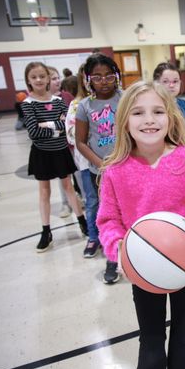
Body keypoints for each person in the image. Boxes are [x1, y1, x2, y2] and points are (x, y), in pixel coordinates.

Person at [97, 81, 185, 369]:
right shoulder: (115, 170)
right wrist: (118, 247)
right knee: (151, 336)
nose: (149, 120)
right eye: (138, 112)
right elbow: (108, 221)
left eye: (157, 112)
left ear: (170, 118)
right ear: (124, 120)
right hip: (143, 269)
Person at [21, 61, 88, 252]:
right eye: (34, 77)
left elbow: (67, 127)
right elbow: (33, 132)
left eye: (42, 76)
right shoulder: (28, 104)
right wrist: (54, 125)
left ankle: (82, 223)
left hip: (60, 151)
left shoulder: (58, 101)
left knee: (68, 187)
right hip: (42, 153)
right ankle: (46, 231)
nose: (39, 80)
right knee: (44, 192)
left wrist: (46, 125)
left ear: (48, 78)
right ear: (28, 80)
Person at [74, 53, 123, 282]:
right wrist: (101, 164)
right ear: (88, 80)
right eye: (97, 77)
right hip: (101, 173)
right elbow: (80, 142)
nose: (103, 81)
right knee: (110, 215)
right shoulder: (85, 106)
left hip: (128, 167)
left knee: (132, 211)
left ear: (116, 76)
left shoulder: (126, 99)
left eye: (108, 76)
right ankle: (112, 259)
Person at [64, 65, 99, 258]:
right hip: (87, 165)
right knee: (92, 201)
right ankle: (93, 237)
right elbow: (72, 136)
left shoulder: (111, 101)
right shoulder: (77, 105)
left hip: (114, 163)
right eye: (91, 77)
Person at [47, 65, 80, 218]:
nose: (57, 81)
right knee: (63, 177)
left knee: (79, 173)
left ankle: (83, 198)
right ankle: (65, 204)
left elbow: (73, 116)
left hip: (73, 145)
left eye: (57, 77)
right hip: (58, 146)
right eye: (53, 79)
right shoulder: (45, 101)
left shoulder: (67, 97)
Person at [153, 62, 185, 149]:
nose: (171, 85)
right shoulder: (153, 108)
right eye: (165, 81)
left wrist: (173, 129)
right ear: (156, 83)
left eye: (175, 81)